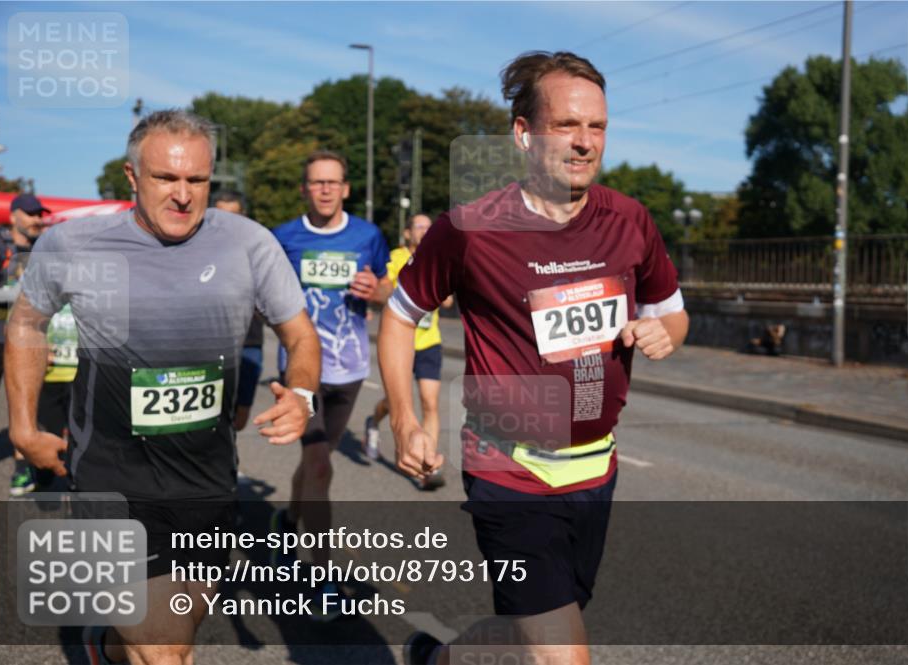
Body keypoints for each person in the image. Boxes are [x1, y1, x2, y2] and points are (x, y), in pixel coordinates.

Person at [379, 51, 689, 665]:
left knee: (534, 633)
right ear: (524, 134)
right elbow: (399, 316)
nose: (584, 142)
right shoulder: (471, 229)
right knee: (560, 657)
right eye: (567, 126)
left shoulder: (630, 220)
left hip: (596, 470)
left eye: (596, 126)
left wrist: (667, 335)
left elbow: (672, 309)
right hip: (509, 473)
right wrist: (404, 418)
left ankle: (436, 660)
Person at [5, 109, 320, 665]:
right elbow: (26, 323)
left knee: (175, 628)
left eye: (197, 181)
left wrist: (301, 394)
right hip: (111, 476)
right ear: (132, 177)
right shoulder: (75, 244)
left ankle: (103, 646)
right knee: (167, 650)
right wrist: (24, 427)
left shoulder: (248, 243)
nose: (183, 195)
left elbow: (299, 335)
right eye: (165, 178)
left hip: (207, 480)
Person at [269, 149, 392, 617]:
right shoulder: (283, 238)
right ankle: (321, 578)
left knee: (314, 463)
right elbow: (265, 295)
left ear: (345, 188)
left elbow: (385, 289)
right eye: (315, 182)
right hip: (302, 368)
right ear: (305, 189)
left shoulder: (367, 235)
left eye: (332, 182)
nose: (324, 189)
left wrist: (376, 292)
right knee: (320, 466)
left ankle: (288, 520)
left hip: (351, 366)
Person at [365, 213, 451, 490]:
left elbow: (447, 301)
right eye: (419, 227)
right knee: (395, 403)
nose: (425, 231)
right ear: (407, 233)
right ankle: (373, 420)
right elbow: (383, 291)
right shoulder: (396, 258)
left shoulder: (439, 252)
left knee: (430, 403)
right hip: (401, 345)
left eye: (429, 226)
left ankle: (427, 464)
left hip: (429, 341)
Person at [0, 193, 49, 494]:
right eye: (31, 214)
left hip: (30, 337)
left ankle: (24, 469)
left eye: (40, 214)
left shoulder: (42, 248)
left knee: (27, 404)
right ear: (15, 215)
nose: (37, 220)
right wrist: (11, 296)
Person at [212, 190, 264, 433]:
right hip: (207, 347)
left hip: (248, 345)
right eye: (221, 217)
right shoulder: (194, 252)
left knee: (239, 421)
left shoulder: (258, 254)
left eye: (234, 217)